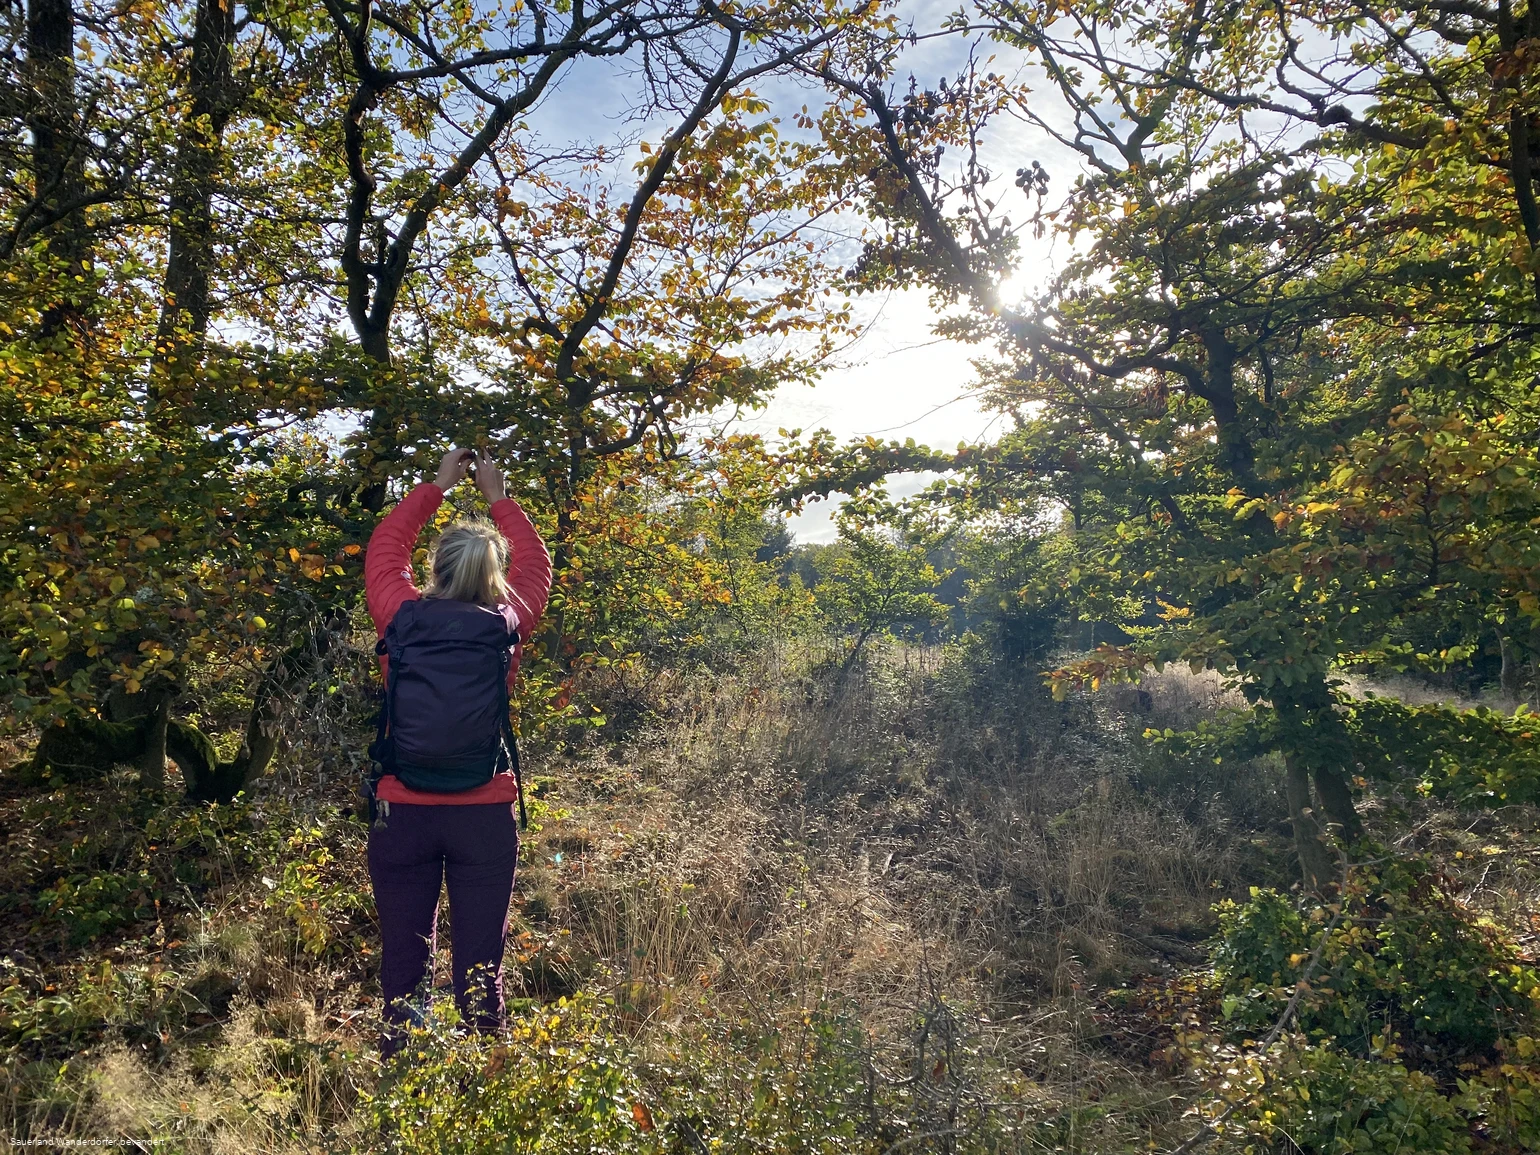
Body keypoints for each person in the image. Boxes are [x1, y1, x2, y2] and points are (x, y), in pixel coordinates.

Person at [363, 447, 552, 1053]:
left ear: (435, 569)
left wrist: (438, 486)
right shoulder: (506, 622)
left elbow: (386, 547)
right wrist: (498, 494)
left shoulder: (399, 616)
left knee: (404, 951)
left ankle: (402, 1064)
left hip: (404, 810)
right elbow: (537, 566)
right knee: (480, 956)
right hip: (484, 812)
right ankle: (483, 1073)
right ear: (493, 576)